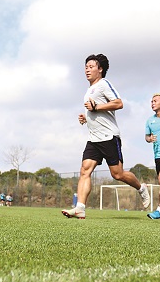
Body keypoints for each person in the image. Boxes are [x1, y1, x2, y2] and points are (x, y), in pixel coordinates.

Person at [62, 54, 150, 219]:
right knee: (84, 170)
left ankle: (141, 188)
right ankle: (80, 207)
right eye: (86, 67)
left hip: (109, 136)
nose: (87, 69)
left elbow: (119, 103)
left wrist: (96, 107)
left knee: (117, 174)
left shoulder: (103, 84)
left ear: (100, 69)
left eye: (91, 66)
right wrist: (86, 118)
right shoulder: (89, 90)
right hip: (93, 138)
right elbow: (95, 111)